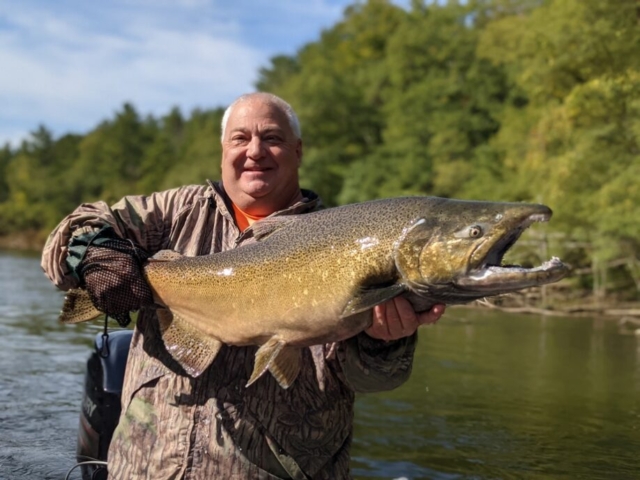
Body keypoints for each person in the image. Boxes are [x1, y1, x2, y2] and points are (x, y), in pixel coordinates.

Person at [42, 92, 445, 480]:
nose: (255, 151)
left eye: (272, 138)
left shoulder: (346, 239)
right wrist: (95, 256)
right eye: (241, 138)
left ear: (299, 151)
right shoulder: (175, 213)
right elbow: (70, 237)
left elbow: (374, 381)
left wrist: (383, 340)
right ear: (223, 150)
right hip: (146, 468)